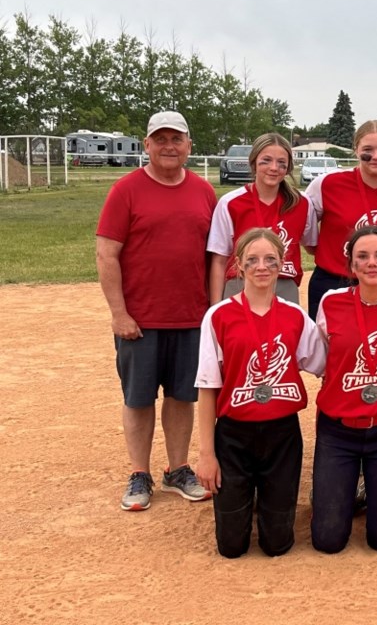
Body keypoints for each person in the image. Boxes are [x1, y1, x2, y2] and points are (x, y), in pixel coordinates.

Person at [96, 110, 217, 511]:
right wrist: (119, 312)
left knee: (183, 396)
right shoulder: (126, 190)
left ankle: (178, 468)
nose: (168, 146)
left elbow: (215, 255)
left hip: (190, 316)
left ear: (188, 146)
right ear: (146, 144)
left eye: (176, 139)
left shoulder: (203, 191)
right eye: (160, 139)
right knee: (139, 398)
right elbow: (106, 253)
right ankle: (139, 473)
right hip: (140, 319)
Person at [194, 228, 324, 557]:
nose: (261, 267)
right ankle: (243, 501)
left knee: (277, 545)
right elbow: (208, 388)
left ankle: (267, 506)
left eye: (270, 260)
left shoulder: (296, 316)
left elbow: (327, 366)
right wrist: (207, 455)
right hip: (233, 436)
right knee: (231, 547)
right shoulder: (218, 316)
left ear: (283, 264)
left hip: (282, 433)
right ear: (237, 265)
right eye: (252, 260)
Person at [311, 227, 377, 553]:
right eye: (362, 256)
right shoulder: (331, 302)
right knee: (328, 541)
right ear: (352, 266)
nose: (372, 263)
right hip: (337, 430)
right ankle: (345, 490)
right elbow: (322, 362)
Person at [305, 119, 377, 320]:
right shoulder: (327, 184)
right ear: (355, 149)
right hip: (335, 280)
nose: (376, 156)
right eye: (367, 149)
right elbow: (308, 232)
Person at [207, 133, 317, 305]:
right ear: (253, 162)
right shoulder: (231, 203)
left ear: (288, 168)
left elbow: (311, 246)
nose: (274, 168)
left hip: (283, 285)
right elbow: (219, 261)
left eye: (282, 163)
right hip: (240, 283)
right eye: (266, 160)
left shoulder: (302, 203)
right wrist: (215, 308)